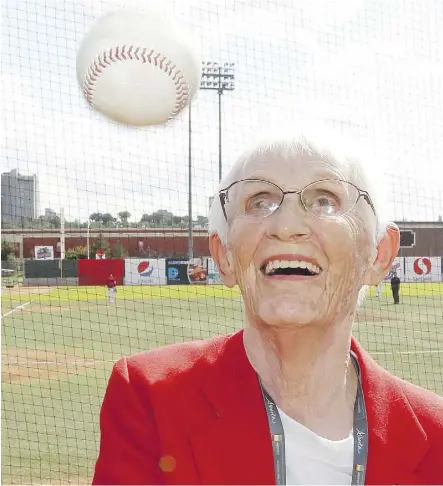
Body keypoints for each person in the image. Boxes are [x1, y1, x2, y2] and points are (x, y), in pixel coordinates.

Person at [92, 129, 443, 485]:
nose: (286, 226)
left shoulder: (435, 433)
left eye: (325, 200)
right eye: (260, 202)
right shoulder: (151, 398)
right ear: (224, 255)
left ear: (379, 255)